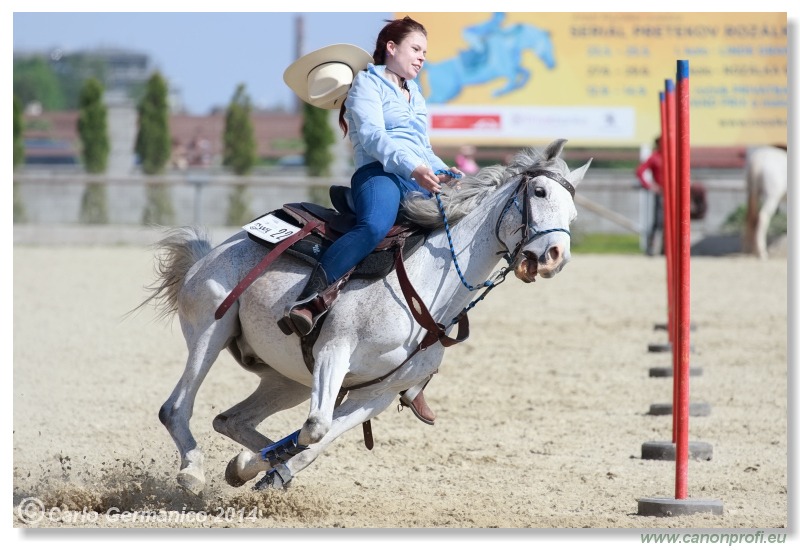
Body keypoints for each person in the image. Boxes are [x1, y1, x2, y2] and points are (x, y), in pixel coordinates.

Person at [281, 16, 463, 425]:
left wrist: (448, 173)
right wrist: (415, 168)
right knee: (374, 227)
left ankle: (417, 374)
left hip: (413, 176)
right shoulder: (367, 84)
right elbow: (375, 137)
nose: (422, 59)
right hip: (378, 174)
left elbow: (424, 147)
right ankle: (311, 300)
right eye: (417, 49)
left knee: (451, 248)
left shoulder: (415, 93)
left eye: (425, 53)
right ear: (392, 48)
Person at [636, 136, 664, 256]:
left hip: (675, 194)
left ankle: (665, 249)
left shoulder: (674, 156)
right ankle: (651, 248)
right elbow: (640, 171)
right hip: (661, 193)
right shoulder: (655, 157)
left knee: (672, 222)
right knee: (658, 222)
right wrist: (650, 185)